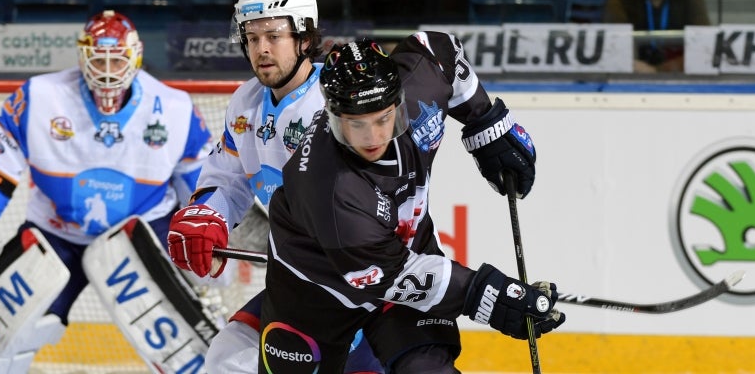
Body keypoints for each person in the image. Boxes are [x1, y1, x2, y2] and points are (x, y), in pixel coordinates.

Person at [176, 34, 565, 372]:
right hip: (315, 297)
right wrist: (489, 294)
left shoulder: (417, 91)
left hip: (395, 269)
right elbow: (396, 273)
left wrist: (486, 122)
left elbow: (439, 49)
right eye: (356, 124)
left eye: (383, 118)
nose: (373, 136)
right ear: (330, 117)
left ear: (398, 100)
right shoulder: (328, 187)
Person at [0, 10, 213, 372]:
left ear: (135, 57)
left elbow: (207, 182)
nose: (106, 71)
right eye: (97, 60)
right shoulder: (40, 97)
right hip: (56, 233)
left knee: (187, 348)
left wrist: (212, 234)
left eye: (116, 60)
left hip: (144, 231)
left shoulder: (175, 108)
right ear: (81, 56)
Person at [166, 0, 384, 373]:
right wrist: (206, 215)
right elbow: (228, 178)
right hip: (302, 281)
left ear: (304, 38)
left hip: (373, 285)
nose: (261, 49)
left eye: (273, 35)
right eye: (251, 37)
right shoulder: (245, 101)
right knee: (227, 360)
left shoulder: (341, 97)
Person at [603, 0, 710, 73]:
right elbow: (616, 54)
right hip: (633, 80)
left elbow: (705, 48)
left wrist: (658, 70)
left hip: (676, 79)